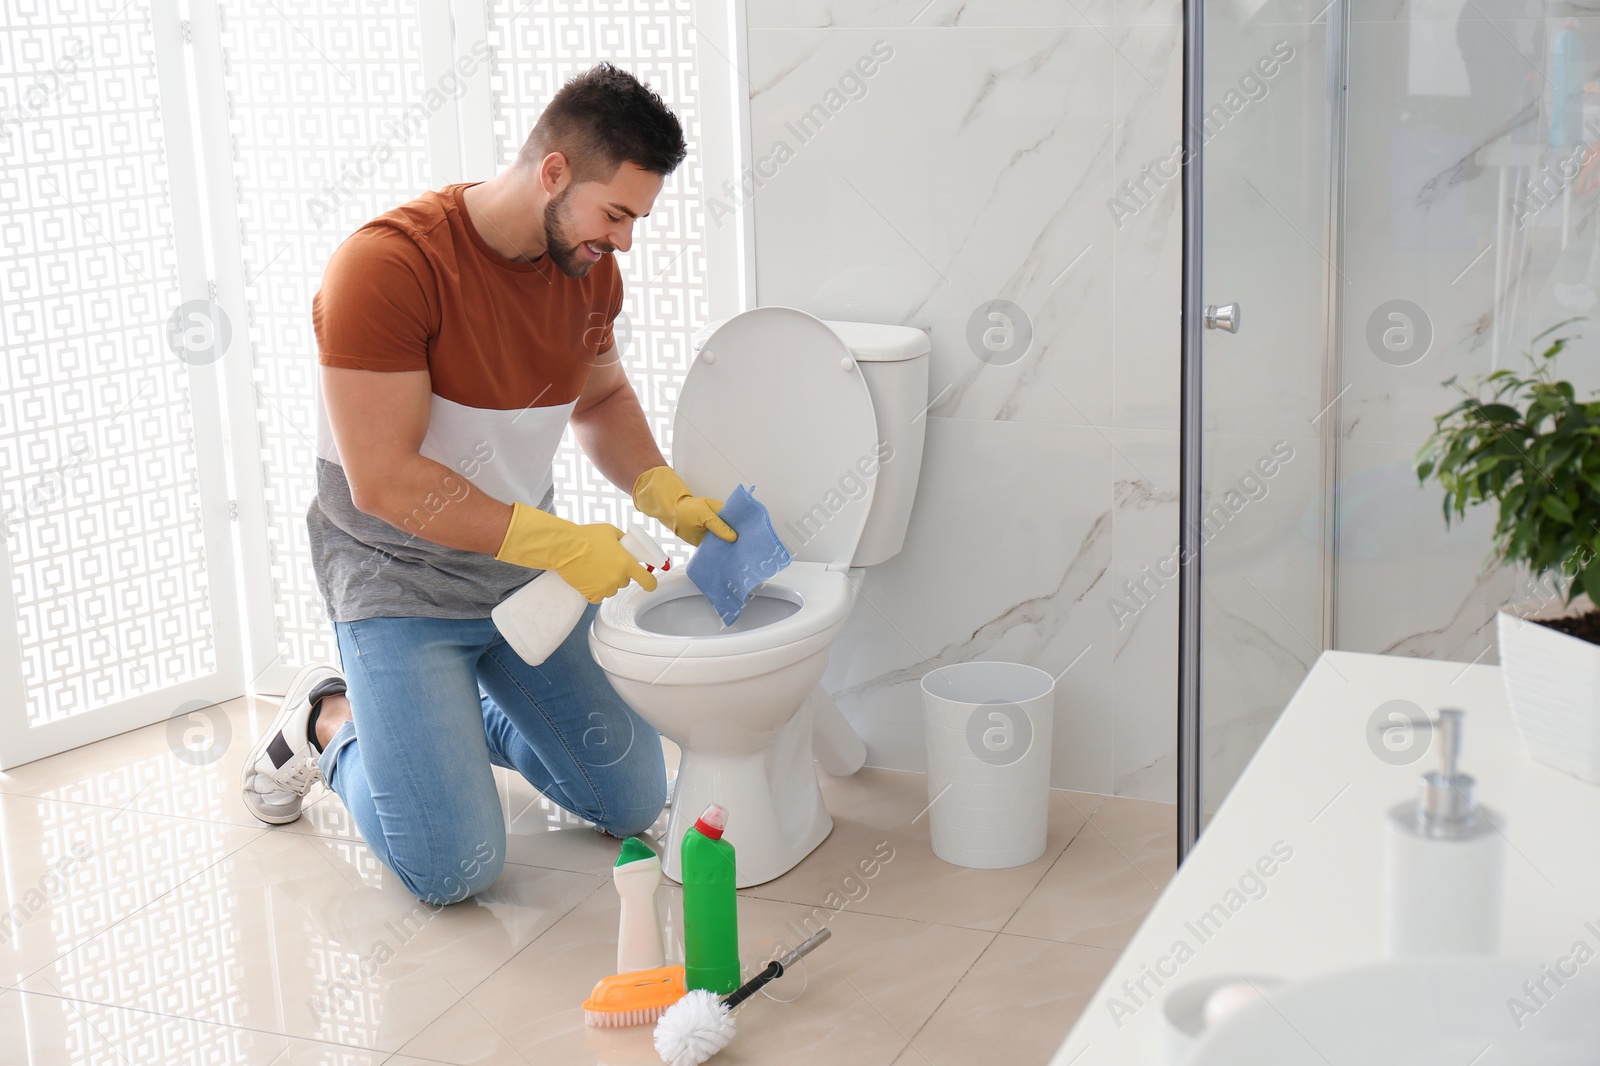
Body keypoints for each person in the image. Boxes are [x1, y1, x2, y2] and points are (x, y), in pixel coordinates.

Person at [239, 63, 735, 906]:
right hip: (397, 582)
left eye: (636, 220)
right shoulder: (387, 268)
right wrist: (563, 544)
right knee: (453, 870)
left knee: (630, 798)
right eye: (615, 214)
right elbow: (386, 482)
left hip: (514, 579)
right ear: (553, 173)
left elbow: (602, 396)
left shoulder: (585, 275)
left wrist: (659, 489)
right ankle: (331, 723)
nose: (623, 242)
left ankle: (440, 742)